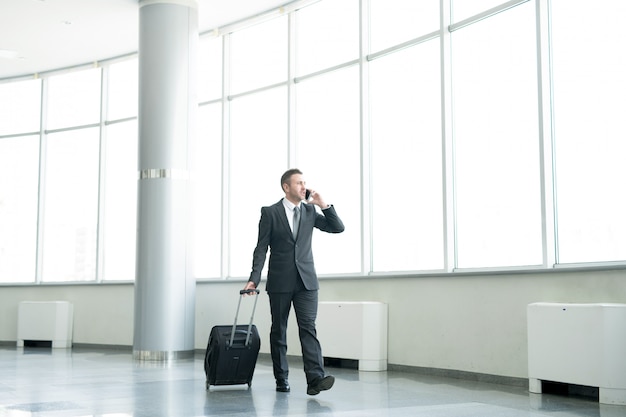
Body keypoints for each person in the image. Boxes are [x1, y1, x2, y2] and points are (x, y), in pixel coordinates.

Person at [243, 168, 345, 395]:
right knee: (279, 330)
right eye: (299, 183)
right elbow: (261, 248)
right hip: (280, 281)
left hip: (307, 282)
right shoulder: (270, 212)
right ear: (286, 187)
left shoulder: (309, 211)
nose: (304, 187)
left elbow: (337, 228)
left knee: (308, 329)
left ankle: (315, 379)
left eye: (304, 183)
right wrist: (254, 279)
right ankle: (282, 378)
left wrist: (323, 204)